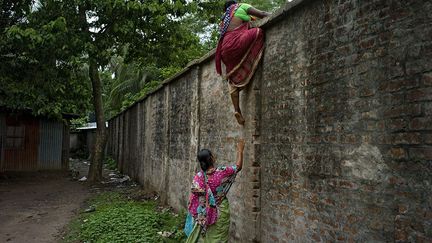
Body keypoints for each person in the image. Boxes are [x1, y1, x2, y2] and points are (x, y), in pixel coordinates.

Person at [215, 1, 270, 125]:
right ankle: (249, 65)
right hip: (237, 43)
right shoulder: (241, 6)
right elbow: (262, 14)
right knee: (258, 32)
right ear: (235, 3)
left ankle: (237, 109)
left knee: (231, 77)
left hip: (224, 50)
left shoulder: (224, 19)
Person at [184, 139, 245, 243]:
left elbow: (195, 197)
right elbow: (238, 167)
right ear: (211, 158)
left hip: (205, 215)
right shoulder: (221, 173)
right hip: (220, 211)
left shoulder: (198, 177)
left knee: (207, 237)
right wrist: (240, 150)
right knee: (219, 238)